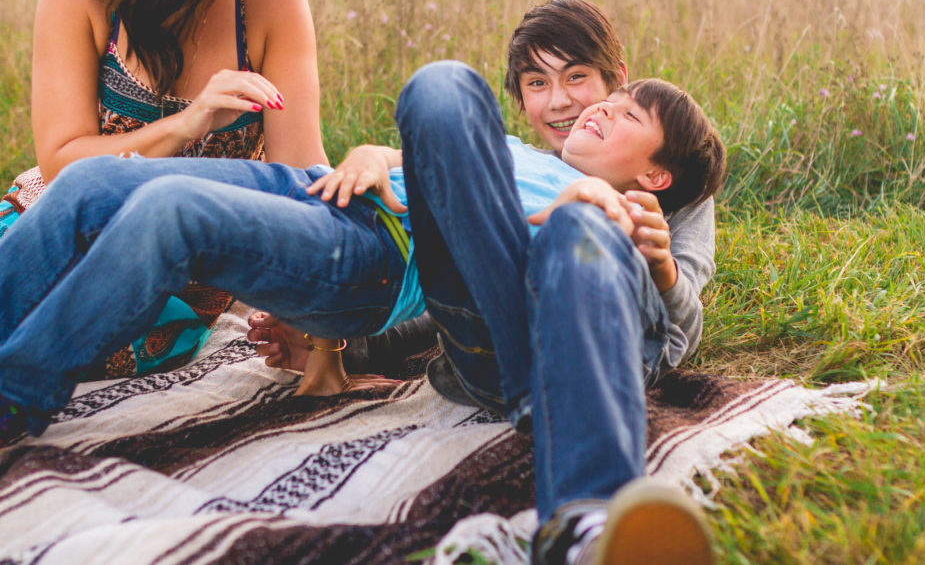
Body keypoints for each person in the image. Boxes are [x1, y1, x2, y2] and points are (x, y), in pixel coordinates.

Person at [0, 60, 723, 563]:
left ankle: (589, 515)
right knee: (96, 180)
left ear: (655, 174)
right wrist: (381, 156)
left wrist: (591, 223)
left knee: (167, 210)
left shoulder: (624, 226)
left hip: (405, 270)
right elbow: (441, 159)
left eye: (626, 113)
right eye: (609, 97)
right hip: (328, 191)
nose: (595, 105)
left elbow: (662, 329)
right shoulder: (508, 147)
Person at [250, 0, 716, 410]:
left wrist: (657, 265)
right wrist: (352, 345)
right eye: (537, 84)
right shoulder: (519, 161)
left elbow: (680, 317)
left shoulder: (669, 174)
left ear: (617, 82)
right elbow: (456, 285)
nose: (559, 103)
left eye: (577, 77)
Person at [1, 0, 329, 379]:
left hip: (190, 268)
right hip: (70, 226)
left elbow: (299, 176)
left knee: (104, 332)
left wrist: (310, 318)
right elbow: (61, 162)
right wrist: (185, 125)